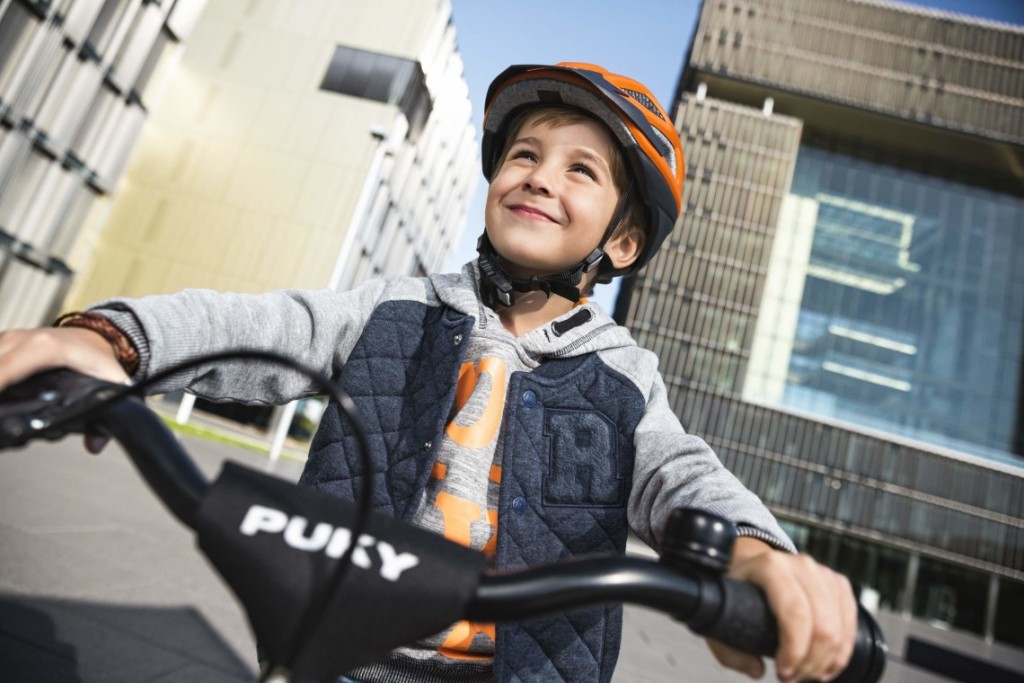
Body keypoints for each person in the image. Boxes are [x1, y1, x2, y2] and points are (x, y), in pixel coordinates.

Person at [0, 62, 856, 682]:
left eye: (580, 171)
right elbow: (264, 324)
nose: (539, 177)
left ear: (620, 246)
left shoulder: (626, 380)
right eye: (525, 153)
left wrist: (753, 555)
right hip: (341, 655)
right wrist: (112, 341)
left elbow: (680, 471)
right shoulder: (398, 308)